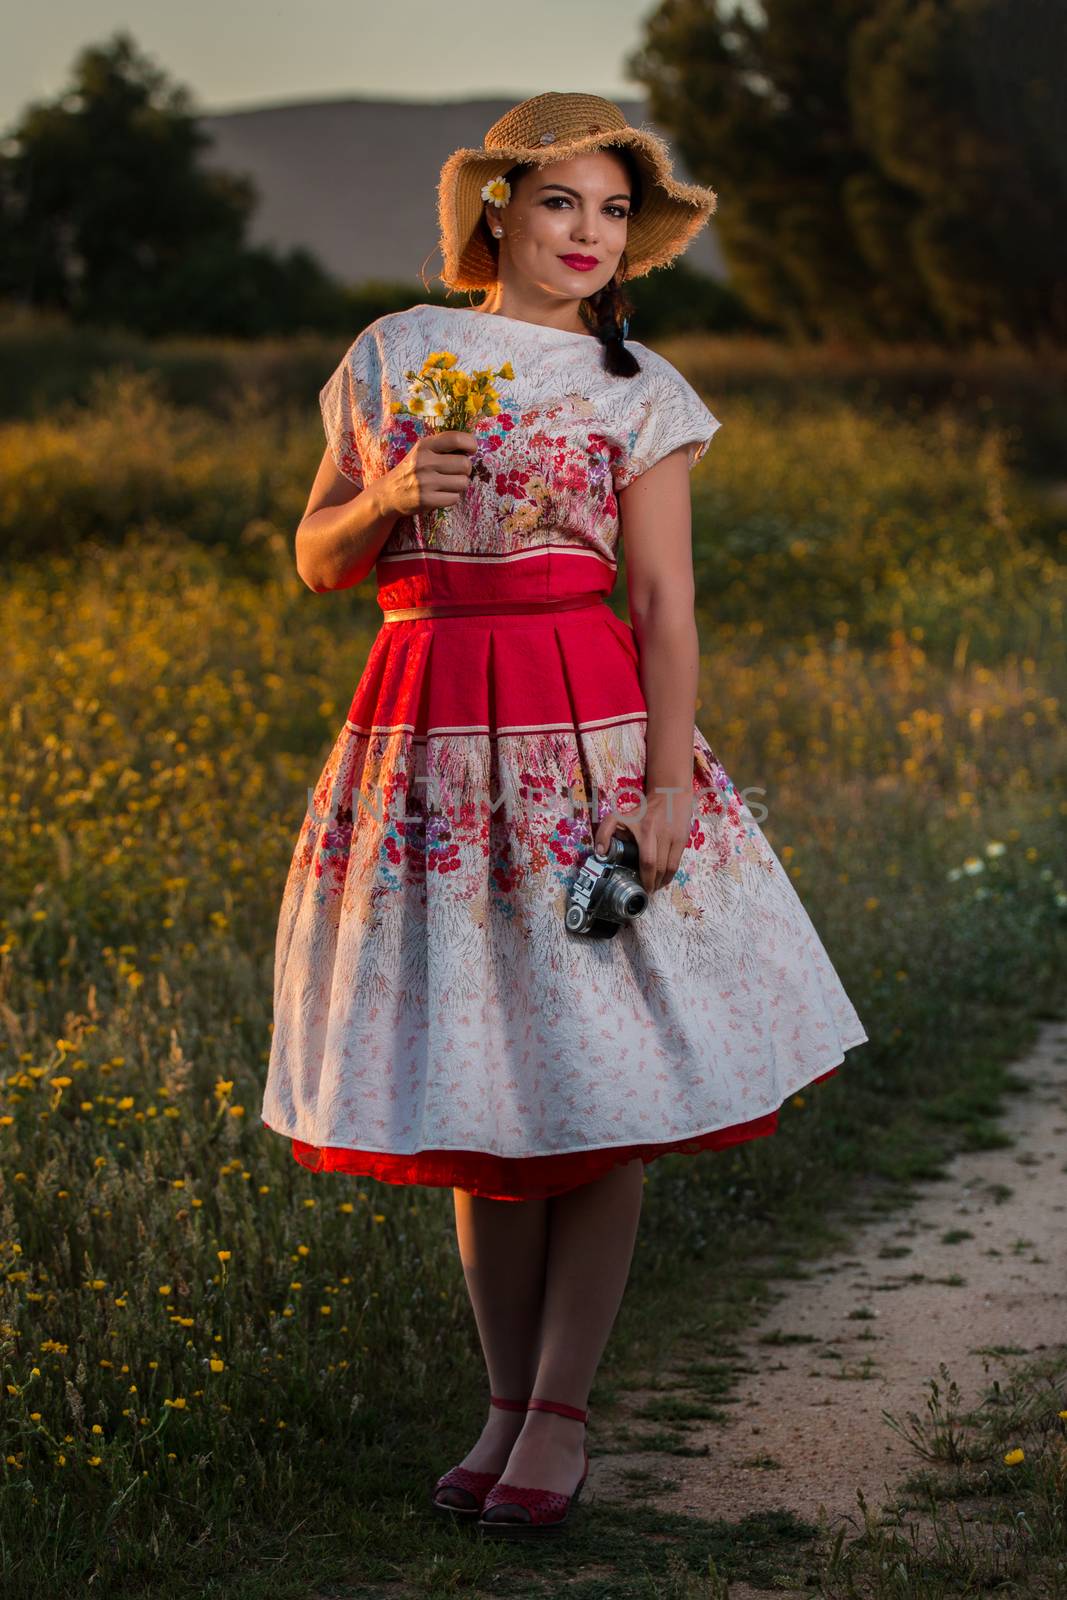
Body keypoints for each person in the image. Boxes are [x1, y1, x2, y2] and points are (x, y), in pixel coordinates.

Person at [259, 90, 869, 1537]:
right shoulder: (396, 353)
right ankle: (497, 1401)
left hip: (581, 736)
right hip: (423, 730)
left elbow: (661, 600)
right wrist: (394, 490)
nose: (590, 235)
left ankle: (562, 1410)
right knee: (489, 1089)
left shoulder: (639, 384)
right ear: (497, 212)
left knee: (600, 1076)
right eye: (561, 205)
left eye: (613, 212)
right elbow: (316, 558)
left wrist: (667, 789)